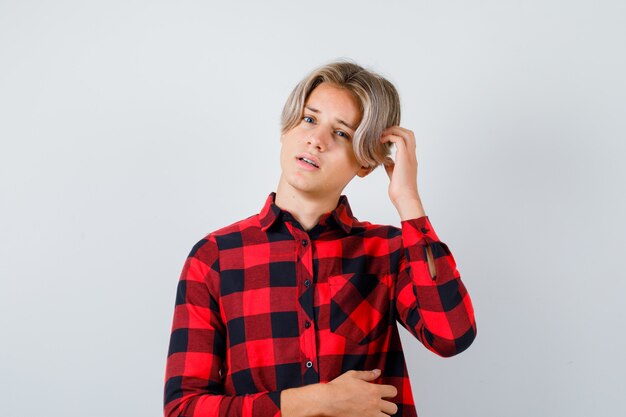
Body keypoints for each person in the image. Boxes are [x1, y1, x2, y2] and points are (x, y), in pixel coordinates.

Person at [163, 60, 477, 417]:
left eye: (341, 133)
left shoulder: (389, 252)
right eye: (309, 119)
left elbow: (451, 336)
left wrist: (408, 200)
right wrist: (313, 402)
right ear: (286, 130)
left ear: (365, 164)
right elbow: (184, 409)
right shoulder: (215, 258)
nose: (316, 140)